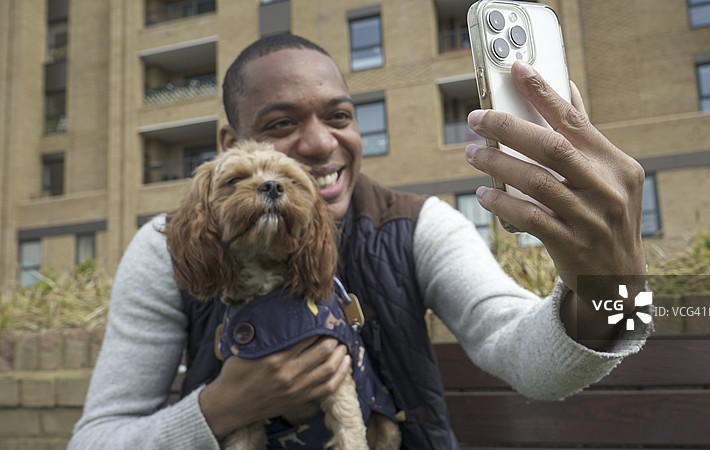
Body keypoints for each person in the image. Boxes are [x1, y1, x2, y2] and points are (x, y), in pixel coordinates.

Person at [68, 34, 649, 449]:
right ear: (229, 141)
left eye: (339, 115)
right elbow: (96, 439)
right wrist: (221, 408)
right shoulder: (163, 245)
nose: (321, 144)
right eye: (281, 123)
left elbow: (529, 359)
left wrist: (617, 290)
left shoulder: (421, 224)